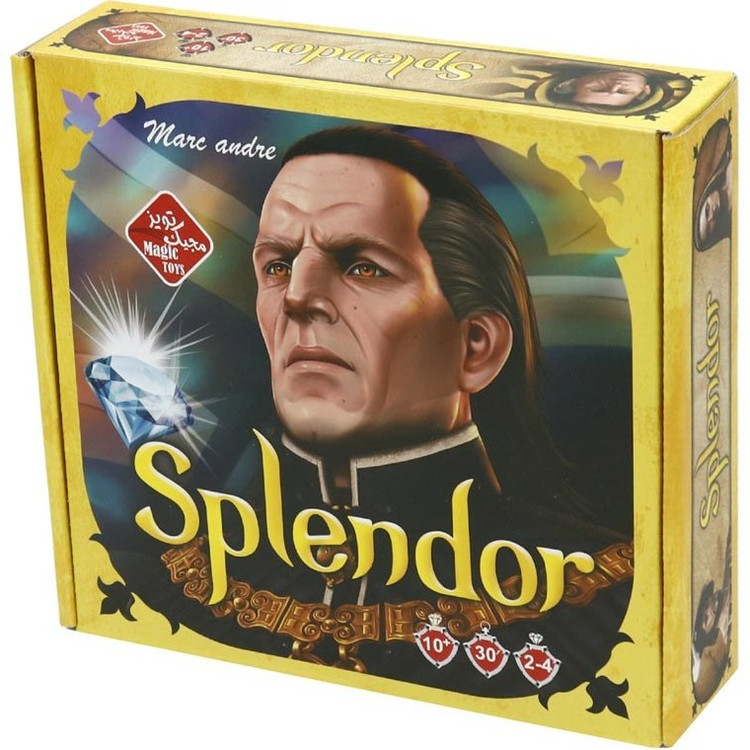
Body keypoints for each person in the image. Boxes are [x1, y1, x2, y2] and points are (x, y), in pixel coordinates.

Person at [201, 125, 633, 695]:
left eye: (362, 266)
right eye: (278, 265)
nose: (298, 297)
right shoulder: (185, 571)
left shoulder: (602, 604)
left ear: (476, 347)